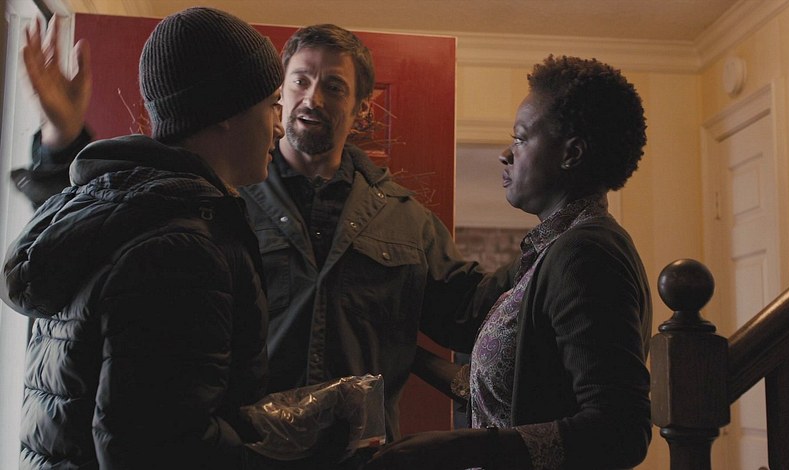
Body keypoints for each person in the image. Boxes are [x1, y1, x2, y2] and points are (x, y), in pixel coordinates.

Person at [12, 18, 510, 465]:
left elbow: (472, 313)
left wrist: (549, 240)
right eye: (296, 83)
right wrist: (61, 142)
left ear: (361, 109)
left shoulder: (406, 220)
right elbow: (101, 237)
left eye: (334, 86)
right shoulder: (210, 204)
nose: (310, 99)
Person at [1, 7, 283, 469]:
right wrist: (293, 452)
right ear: (226, 111)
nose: (281, 123)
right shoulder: (181, 254)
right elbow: (160, 450)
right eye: (273, 103)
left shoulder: (124, 215)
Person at [366, 55, 653, 470]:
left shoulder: (586, 255)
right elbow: (511, 389)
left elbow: (620, 431)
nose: (505, 154)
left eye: (520, 139)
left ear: (571, 153)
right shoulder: (553, 249)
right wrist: (404, 352)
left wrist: (455, 447)